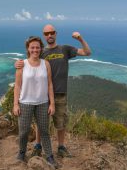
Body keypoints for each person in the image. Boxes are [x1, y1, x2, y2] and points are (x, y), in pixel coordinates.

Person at [15, 24, 91, 158]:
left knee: (60, 122)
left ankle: (61, 147)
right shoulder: (41, 51)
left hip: (60, 93)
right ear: (44, 36)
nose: (49, 35)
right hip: (42, 94)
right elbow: (29, 62)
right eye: (46, 33)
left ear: (56, 33)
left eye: (52, 32)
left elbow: (87, 52)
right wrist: (18, 64)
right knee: (41, 122)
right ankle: (38, 146)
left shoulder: (65, 49)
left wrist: (80, 39)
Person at [13, 36, 58, 168]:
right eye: (32, 47)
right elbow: (17, 86)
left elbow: (50, 84)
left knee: (44, 131)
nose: (35, 49)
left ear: (41, 48)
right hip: (25, 102)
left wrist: (52, 103)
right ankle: (21, 152)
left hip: (43, 102)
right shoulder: (22, 64)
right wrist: (15, 104)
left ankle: (49, 156)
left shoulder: (46, 64)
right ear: (28, 48)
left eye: (37, 47)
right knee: (23, 131)